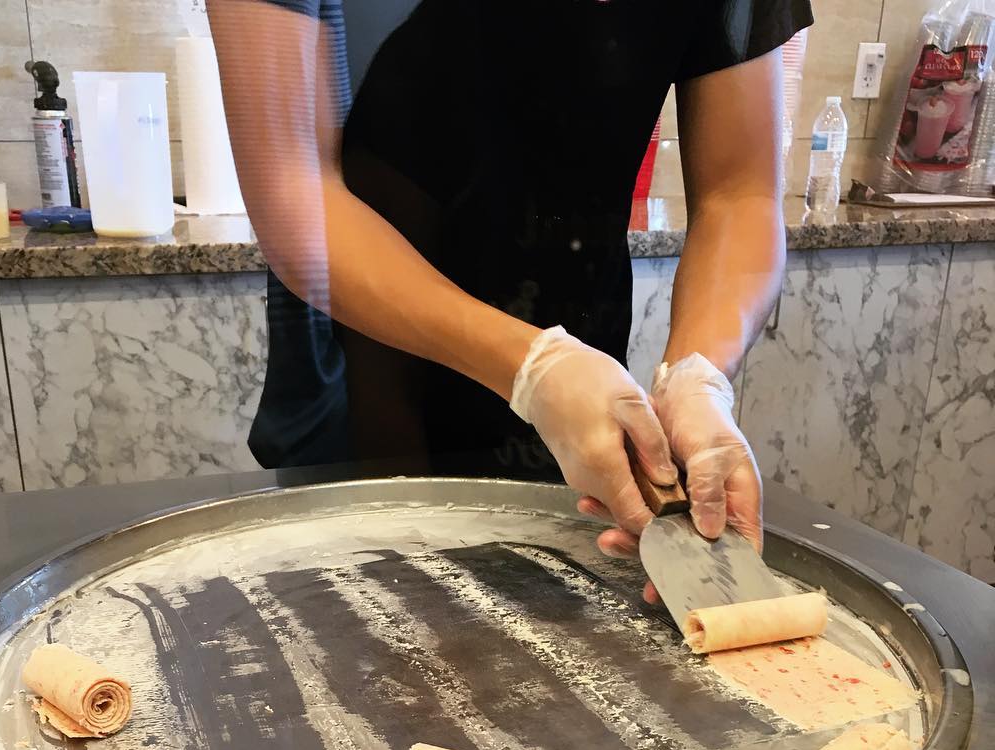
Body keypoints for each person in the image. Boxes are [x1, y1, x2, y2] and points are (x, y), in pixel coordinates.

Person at [208, 0, 813, 581]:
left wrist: (698, 376)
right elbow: (295, 188)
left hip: (578, 432)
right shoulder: (418, 58)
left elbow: (740, 194)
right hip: (365, 418)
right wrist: (533, 367)